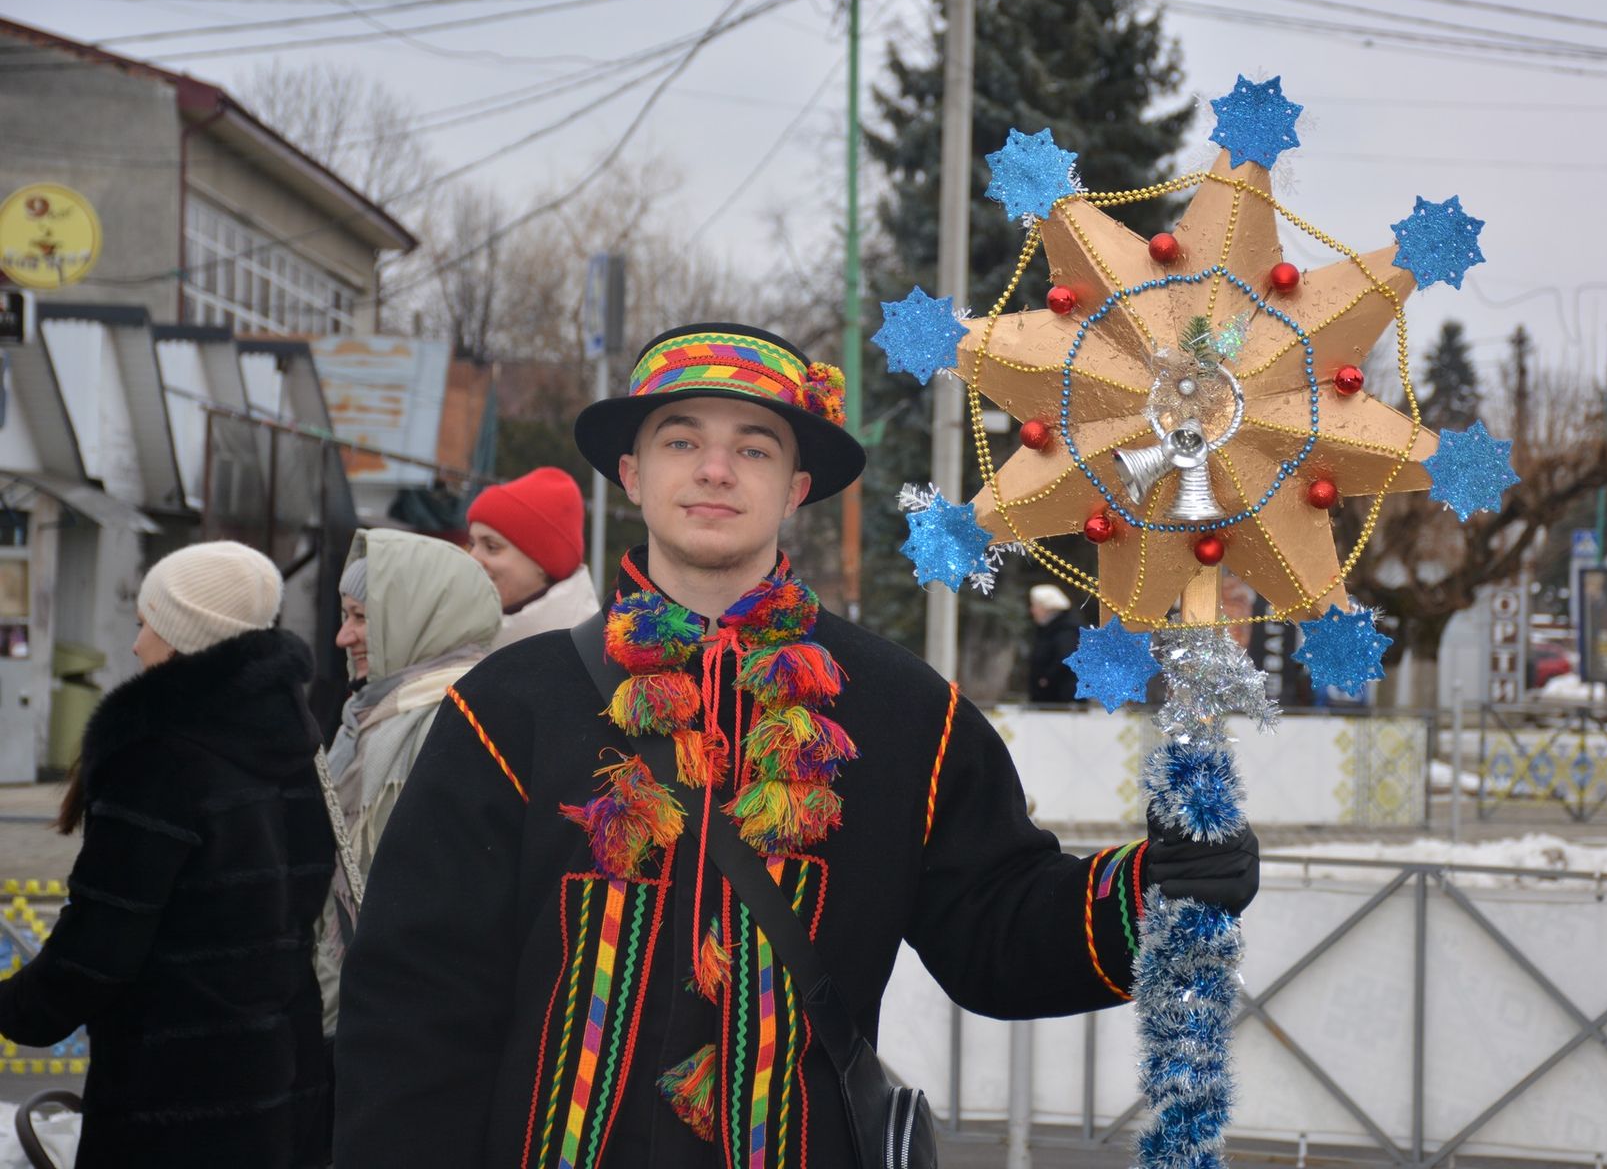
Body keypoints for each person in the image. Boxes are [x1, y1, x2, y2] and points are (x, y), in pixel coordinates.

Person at [335, 323, 1259, 1166]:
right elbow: (416, 1005)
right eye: (682, 440)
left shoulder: (905, 714)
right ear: (631, 472)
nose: (715, 470)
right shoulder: (508, 704)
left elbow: (996, 930)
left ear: (797, 488)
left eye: (754, 448)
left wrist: (1154, 892)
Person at [0, 541, 332, 1167]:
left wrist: (17, 1007)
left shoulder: (157, 760)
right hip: (281, 1078)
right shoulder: (294, 738)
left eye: (144, 623)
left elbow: (98, 948)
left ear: (183, 634)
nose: (134, 644)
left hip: (173, 1099)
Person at [314, 527, 500, 1034]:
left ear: (414, 620)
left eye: (361, 618)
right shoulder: (374, 714)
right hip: (357, 1009)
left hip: (396, 1022)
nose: (343, 636)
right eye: (344, 615)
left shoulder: (446, 722)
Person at [467, 465, 600, 648]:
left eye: (491, 546)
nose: (472, 558)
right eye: (472, 544)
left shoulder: (592, 651)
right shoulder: (462, 637)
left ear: (542, 564)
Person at [1027, 582, 1082, 702]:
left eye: (1035, 606)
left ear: (1047, 608)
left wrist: (1046, 678)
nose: (1032, 611)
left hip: (1061, 698)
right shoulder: (1048, 629)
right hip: (1048, 696)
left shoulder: (1066, 630)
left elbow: (1066, 657)